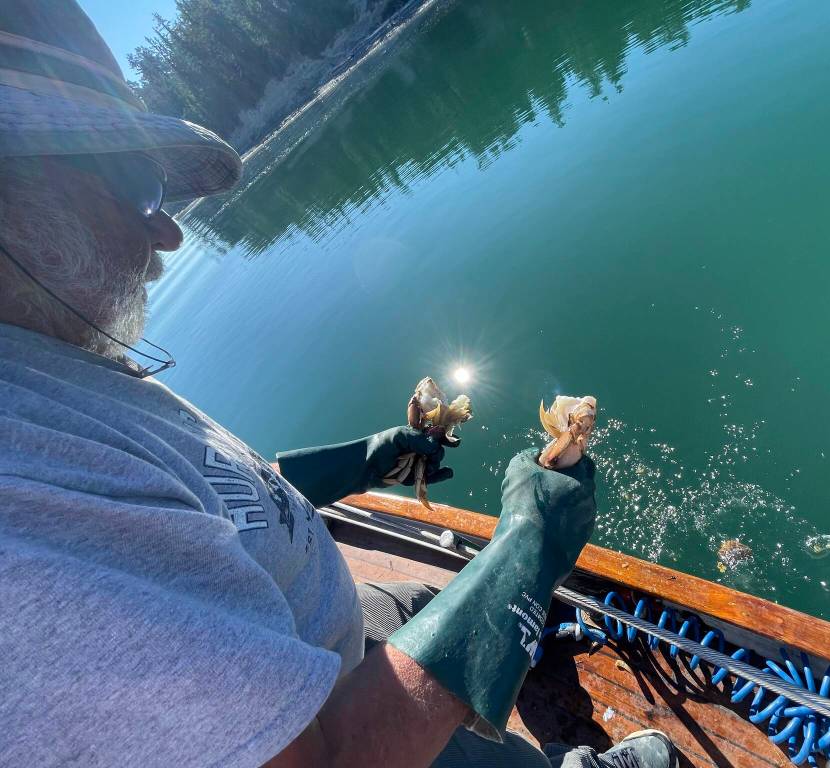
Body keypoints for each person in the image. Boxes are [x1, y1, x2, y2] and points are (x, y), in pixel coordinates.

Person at [0, 3, 679, 767]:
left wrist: (365, 459)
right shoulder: (17, 504)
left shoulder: (41, 356)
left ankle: (495, 642)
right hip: (353, 733)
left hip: (327, 634)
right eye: (132, 179)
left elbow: (201, 501)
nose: (167, 232)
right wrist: (528, 546)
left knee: (420, 604)